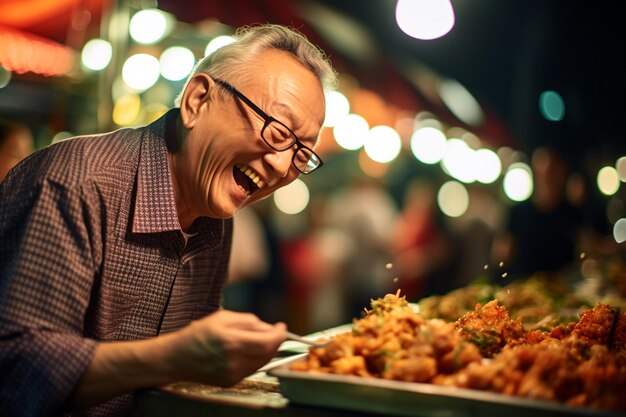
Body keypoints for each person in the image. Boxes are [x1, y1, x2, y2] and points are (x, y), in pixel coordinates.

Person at [0, 24, 336, 417]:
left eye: (300, 153)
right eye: (277, 131)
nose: (281, 165)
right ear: (197, 100)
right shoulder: (73, 182)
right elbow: (14, 370)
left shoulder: (214, 214)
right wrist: (174, 357)